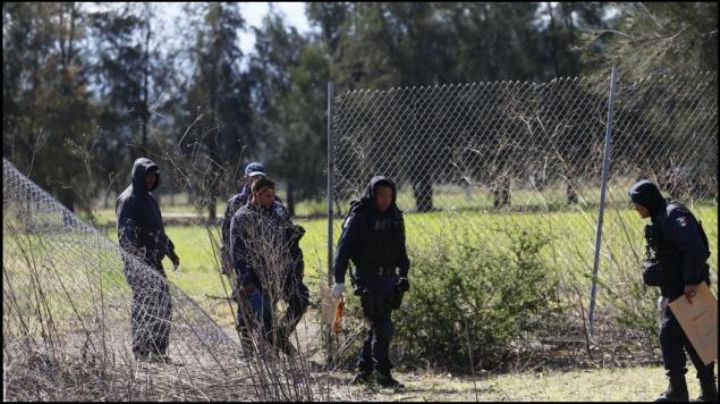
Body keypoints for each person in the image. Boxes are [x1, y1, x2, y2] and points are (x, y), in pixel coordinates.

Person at [629, 179, 717, 402]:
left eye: (638, 203)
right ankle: (708, 392)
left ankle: (678, 393)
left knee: (672, 336)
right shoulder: (660, 216)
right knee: (692, 338)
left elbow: (695, 248)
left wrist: (689, 282)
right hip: (677, 288)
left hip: (687, 288)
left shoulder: (672, 215)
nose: (636, 208)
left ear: (648, 201)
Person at [331, 176, 410, 388]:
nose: (385, 200)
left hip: (389, 279)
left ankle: (364, 372)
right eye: (381, 195)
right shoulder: (360, 217)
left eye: (389, 196)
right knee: (383, 326)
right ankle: (383, 375)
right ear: (373, 195)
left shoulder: (395, 217)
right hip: (367, 278)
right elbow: (343, 250)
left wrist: (404, 274)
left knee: (377, 325)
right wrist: (338, 280)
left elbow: (401, 249)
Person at [228, 177, 309, 355]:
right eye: (267, 195)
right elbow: (238, 253)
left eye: (273, 195)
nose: (272, 199)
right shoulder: (242, 217)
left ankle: (280, 336)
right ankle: (252, 353)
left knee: (301, 297)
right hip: (255, 275)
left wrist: (297, 266)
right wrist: (246, 281)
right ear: (256, 195)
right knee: (253, 315)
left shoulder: (279, 212)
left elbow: (291, 242)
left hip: (281, 272)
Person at [116, 157, 180, 363]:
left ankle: (159, 352)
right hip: (137, 263)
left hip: (154, 262)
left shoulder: (149, 199)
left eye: (154, 176)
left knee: (163, 304)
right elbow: (126, 235)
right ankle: (141, 353)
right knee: (144, 305)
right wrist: (137, 261)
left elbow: (157, 231)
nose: (151, 180)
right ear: (138, 176)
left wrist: (170, 251)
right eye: (147, 176)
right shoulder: (129, 200)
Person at [220, 162, 285, 276]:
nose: (257, 180)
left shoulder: (275, 201)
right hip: (243, 257)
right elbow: (226, 233)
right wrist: (226, 260)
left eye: (260, 177)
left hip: (270, 259)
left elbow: (284, 229)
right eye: (253, 177)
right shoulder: (236, 202)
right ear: (246, 179)